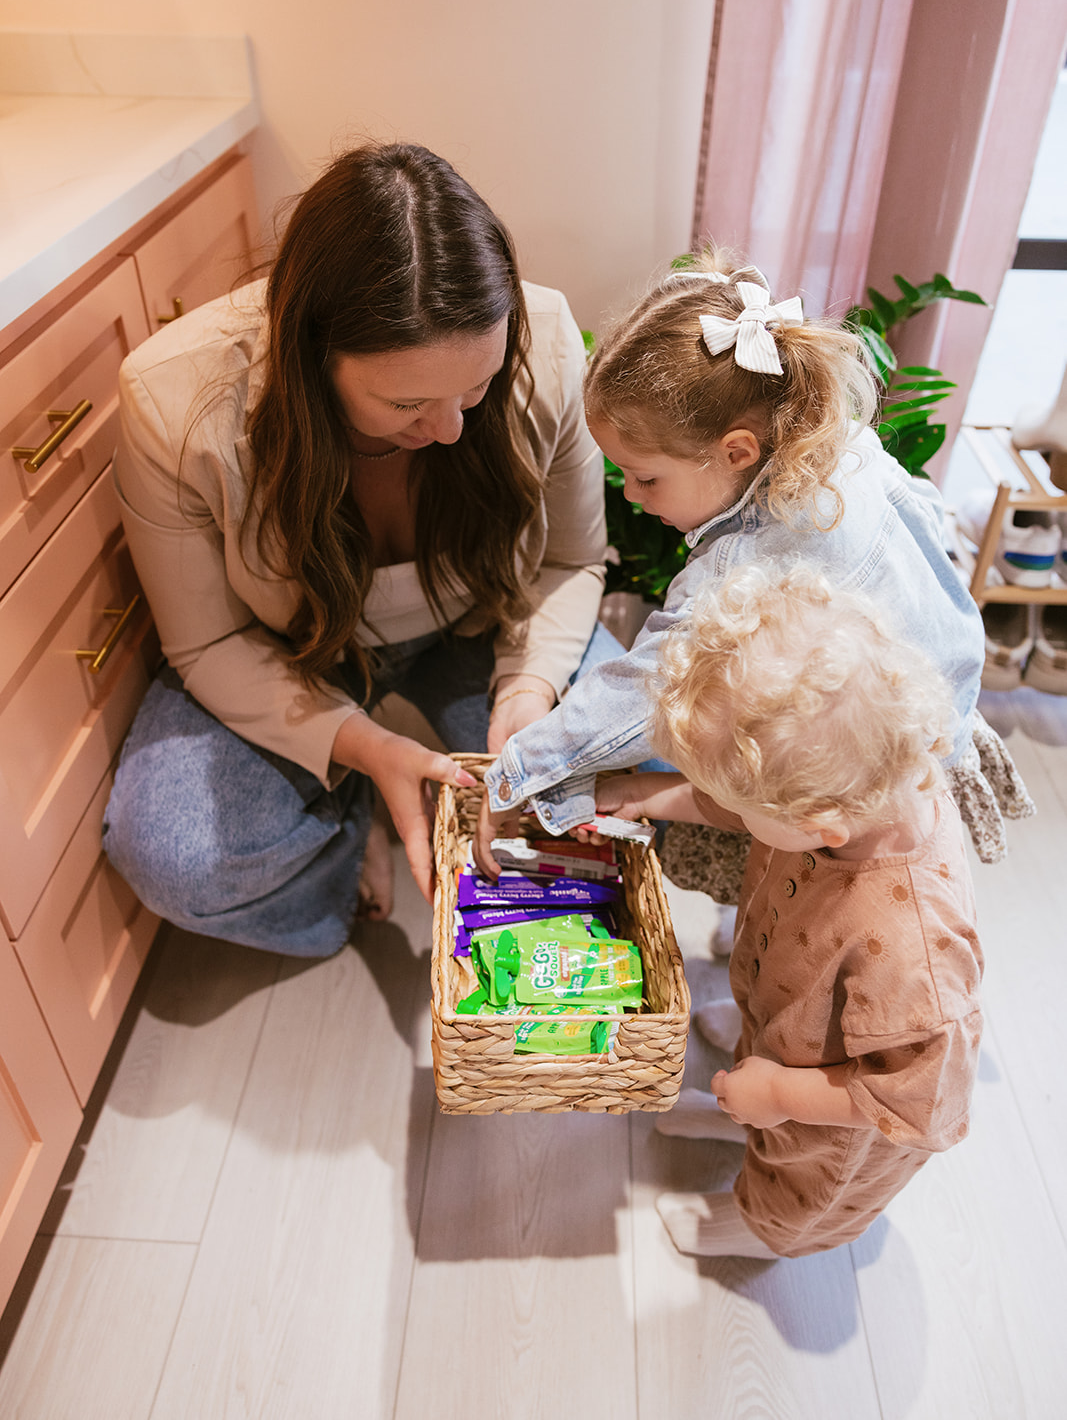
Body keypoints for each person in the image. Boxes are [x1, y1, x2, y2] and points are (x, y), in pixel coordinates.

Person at [102, 142, 614, 957]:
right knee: (176, 860)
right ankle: (353, 827)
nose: (448, 429)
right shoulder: (174, 397)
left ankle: (369, 783)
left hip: (481, 627)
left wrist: (527, 693)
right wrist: (363, 748)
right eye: (406, 401)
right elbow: (209, 640)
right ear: (310, 356)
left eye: (474, 389)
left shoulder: (543, 337)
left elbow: (570, 560)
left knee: (641, 761)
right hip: (292, 653)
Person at [473, 246, 987, 873]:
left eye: (645, 479)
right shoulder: (845, 442)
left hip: (842, 786)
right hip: (932, 725)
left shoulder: (749, 563)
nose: (631, 499)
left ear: (736, 451)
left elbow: (651, 688)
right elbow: (929, 517)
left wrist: (520, 767)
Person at [598, 563, 984, 1259]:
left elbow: (920, 1102)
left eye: (740, 807)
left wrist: (783, 1093)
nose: (724, 812)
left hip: (843, 1121)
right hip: (793, 1006)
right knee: (760, 1068)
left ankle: (761, 1229)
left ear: (820, 823)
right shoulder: (856, 780)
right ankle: (752, 1107)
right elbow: (742, 800)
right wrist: (644, 794)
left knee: (802, 1182)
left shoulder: (909, 953)